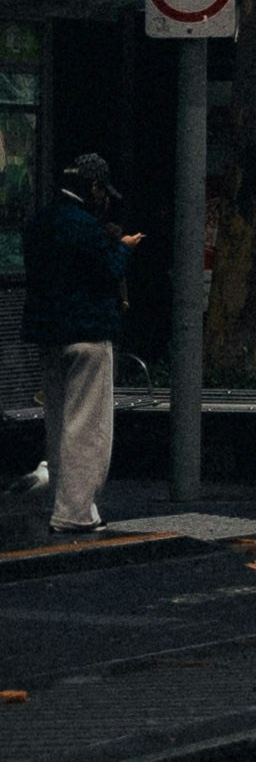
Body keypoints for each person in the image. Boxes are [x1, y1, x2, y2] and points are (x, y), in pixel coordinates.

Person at [22, 149, 136, 533]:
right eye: (102, 190)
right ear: (92, 187)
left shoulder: (40, 221)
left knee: (57, 422)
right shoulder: (87, 226)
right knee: (86, 427)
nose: (104, 198)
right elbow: (108, 272)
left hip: (49, 333)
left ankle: (61, 502)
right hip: (88, 334)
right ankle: (75, 512)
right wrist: (124, 248)